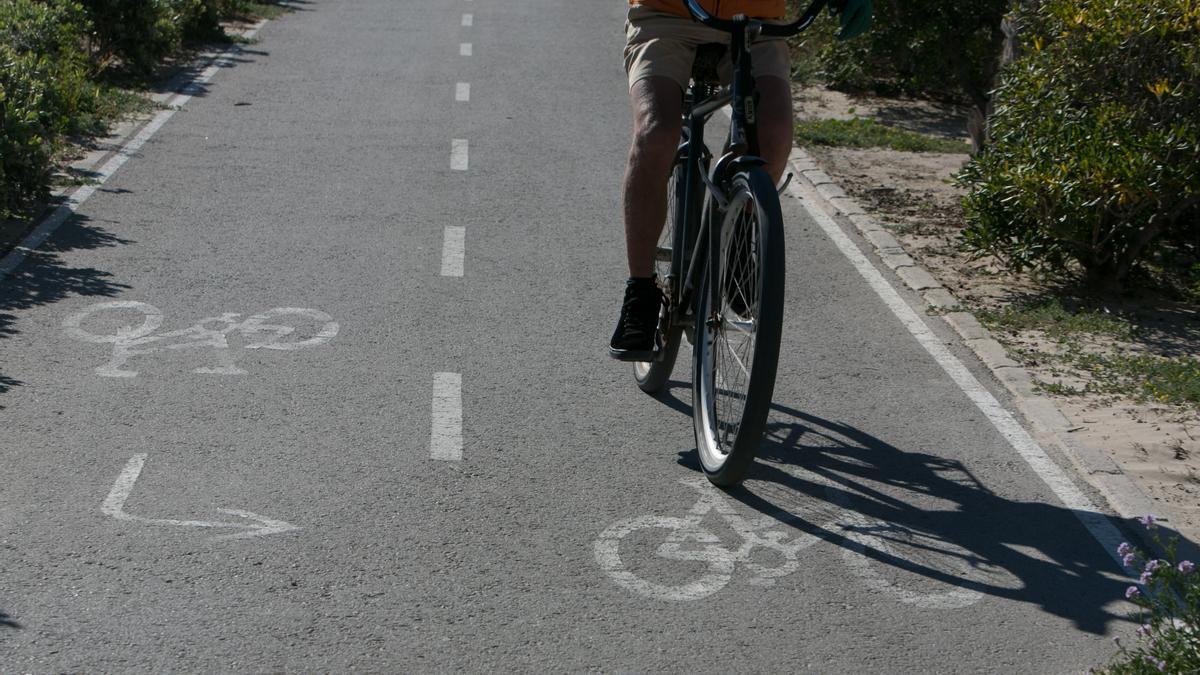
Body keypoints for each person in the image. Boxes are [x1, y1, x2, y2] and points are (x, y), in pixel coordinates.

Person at [608, 0, 871, 361]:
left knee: (774, 131)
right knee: (656, 132)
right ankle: (640, 290)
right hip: (667, 16)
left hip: (757, 25)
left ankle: (741, 224)